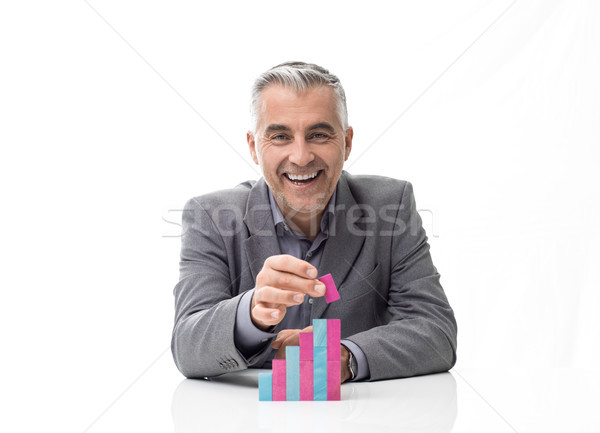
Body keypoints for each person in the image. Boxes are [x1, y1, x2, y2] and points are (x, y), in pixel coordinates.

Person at [171, 62, 457, 382]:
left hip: (360, 415)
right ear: (254, 147)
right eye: (280, 136)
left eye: (319, 135)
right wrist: (251, 315)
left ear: (347, 143)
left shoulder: (391, 205)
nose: (301, 156)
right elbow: (187, 346)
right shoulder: (210, 216)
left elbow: (435, 331)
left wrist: (345, 357)